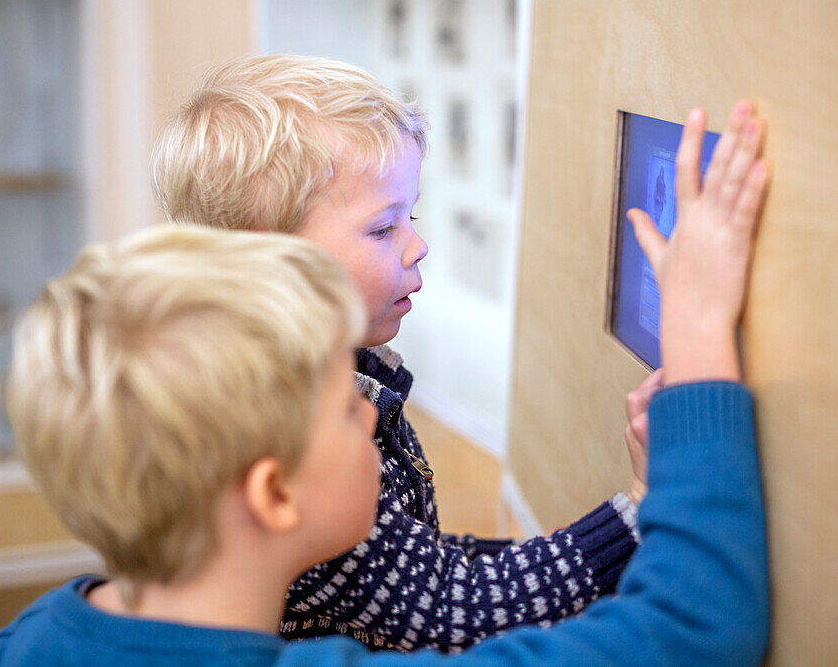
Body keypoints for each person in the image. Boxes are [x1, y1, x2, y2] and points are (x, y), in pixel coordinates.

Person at [0, 99, 772, 666]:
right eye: (343, 409)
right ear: (273, 492)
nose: (372, 420)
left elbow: (426, 560)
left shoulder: (32, 637)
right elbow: (694, 629)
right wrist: (699, 330)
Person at [152, 55, 642, 650]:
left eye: (409, 216)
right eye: (384, 229)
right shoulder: (288, 440)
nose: (419, 245)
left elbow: (409, 556)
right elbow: (447, 608)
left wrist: (540, 555)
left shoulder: (340, 373)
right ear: (270, 265)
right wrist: (637, 515)